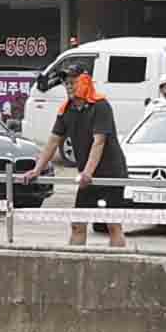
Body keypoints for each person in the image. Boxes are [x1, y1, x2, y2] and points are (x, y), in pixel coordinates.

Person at [39, 62, 126, 243]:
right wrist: (37, 169)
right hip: (87, 176)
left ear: (85, 81)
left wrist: (87, 172)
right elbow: (54, 141)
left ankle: (118, 260)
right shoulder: (66, 109)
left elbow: (99, 141)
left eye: (73, 82)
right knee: (78, 222)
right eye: (67, 84)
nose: (69, 87)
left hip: (111, 173)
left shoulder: (100, 105)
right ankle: (74, 261)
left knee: (112, 224)